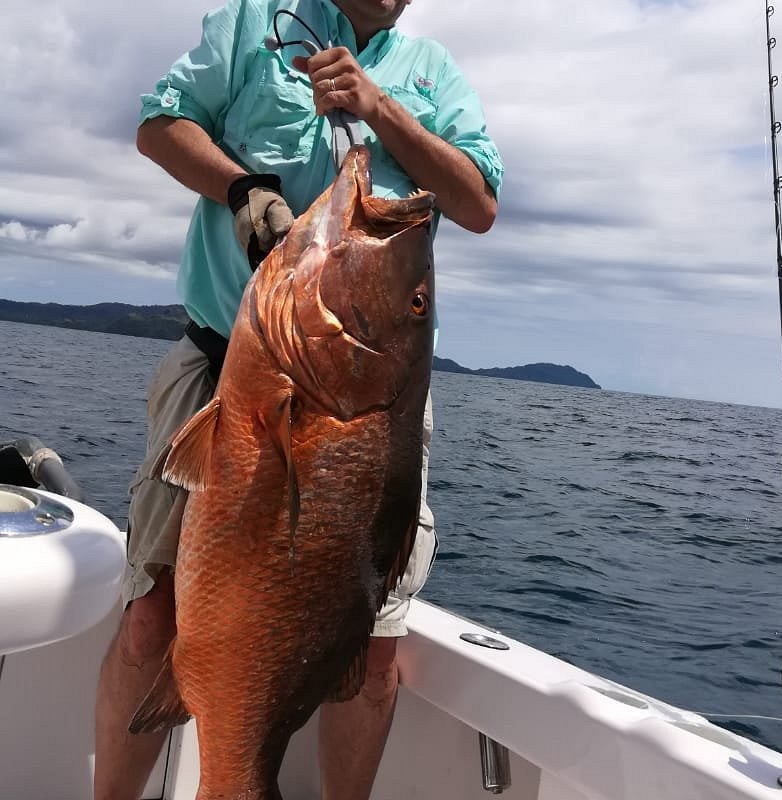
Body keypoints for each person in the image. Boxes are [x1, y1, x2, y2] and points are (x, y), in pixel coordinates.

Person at [93, 1, 502, 798]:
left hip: (369, 412)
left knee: (373, 648)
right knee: (150, 619)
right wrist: (241, 186)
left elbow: (476, 202)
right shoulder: (254, 22)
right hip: (225, 365)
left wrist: (379, 109)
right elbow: (158, 123)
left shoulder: (435, 75)